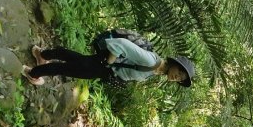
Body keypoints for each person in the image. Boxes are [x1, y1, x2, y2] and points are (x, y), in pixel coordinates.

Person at [22, 37, 195, 87]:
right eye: (179, 73)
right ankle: (33, 73)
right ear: (175, 65)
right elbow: (122, 44)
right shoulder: (152, 61)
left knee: (75, 59)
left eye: (180, 79)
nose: (176, 77)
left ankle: (42, 54)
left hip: (106, 67)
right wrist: (108, 62)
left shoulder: (157, 70)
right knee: (67, 69)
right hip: (105, 65)